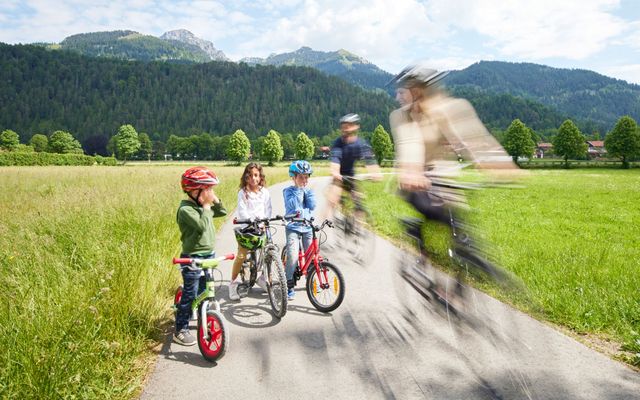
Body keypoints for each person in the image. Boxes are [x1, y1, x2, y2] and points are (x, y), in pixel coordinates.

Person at [389, 63, 518, 300]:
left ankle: (454, 292)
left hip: (442, 177)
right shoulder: (402, 116)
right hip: (415, 181)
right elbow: (410, 144)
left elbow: (473, 138)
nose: (417, 94)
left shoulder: (448, 108)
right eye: (413, 89)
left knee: (464, 237)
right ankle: (419, 242)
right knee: (433, 210)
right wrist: (412, 171)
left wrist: (500, 165)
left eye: (422, 89)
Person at [175, 166, 227, 346]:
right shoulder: (186, 210)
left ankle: (203, 313)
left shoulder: (201, 206)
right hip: (192, 258)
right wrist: (206, 206)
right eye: (207, 189)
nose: (210, 193)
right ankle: (181, 328)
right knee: (190, 293)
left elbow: (222, 212)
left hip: (208, 255)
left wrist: (214, 200)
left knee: (205, 289)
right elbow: (203, 226)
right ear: (194, 191)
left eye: (212, 189)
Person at [323, 113, 381, 225]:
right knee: (334, 196)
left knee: (359, 200)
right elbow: (335, 160)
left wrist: (375, 173)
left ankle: (357, 227)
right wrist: (335, 172)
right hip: (339, 175)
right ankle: (326, 219)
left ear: (356, 126)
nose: (346, 127)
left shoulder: (360, 144)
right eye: (344, 125)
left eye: (349, 124)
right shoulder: (338, 143)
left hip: (351, 175)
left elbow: (369, 160)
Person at [228, 162, 272, 301]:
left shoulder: (264, 192)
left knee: (270, 252)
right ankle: (233, 283)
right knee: (241, 256)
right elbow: (242, 210)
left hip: (261, 226)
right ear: (246, 177)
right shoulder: (243, 193)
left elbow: (268, 208)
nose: (254, 178)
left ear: (260, 177)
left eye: (256, 175)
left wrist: (265, 220)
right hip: (247, 226)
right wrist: (251, 220)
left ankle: (264, 278)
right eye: (251, 175)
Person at [283, 160, 316, 300]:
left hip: (307, 227)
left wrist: (306, 192)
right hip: (293, 227)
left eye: (306, 177)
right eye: (301, 177)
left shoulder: (308, 190)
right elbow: (293, 206)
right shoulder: (288, 191)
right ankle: (288, 284)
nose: (304, 180)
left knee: (311, 256)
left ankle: (310, 279)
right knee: (293, 256)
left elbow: (312, 206)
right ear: (294, 177)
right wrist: (297, 189)